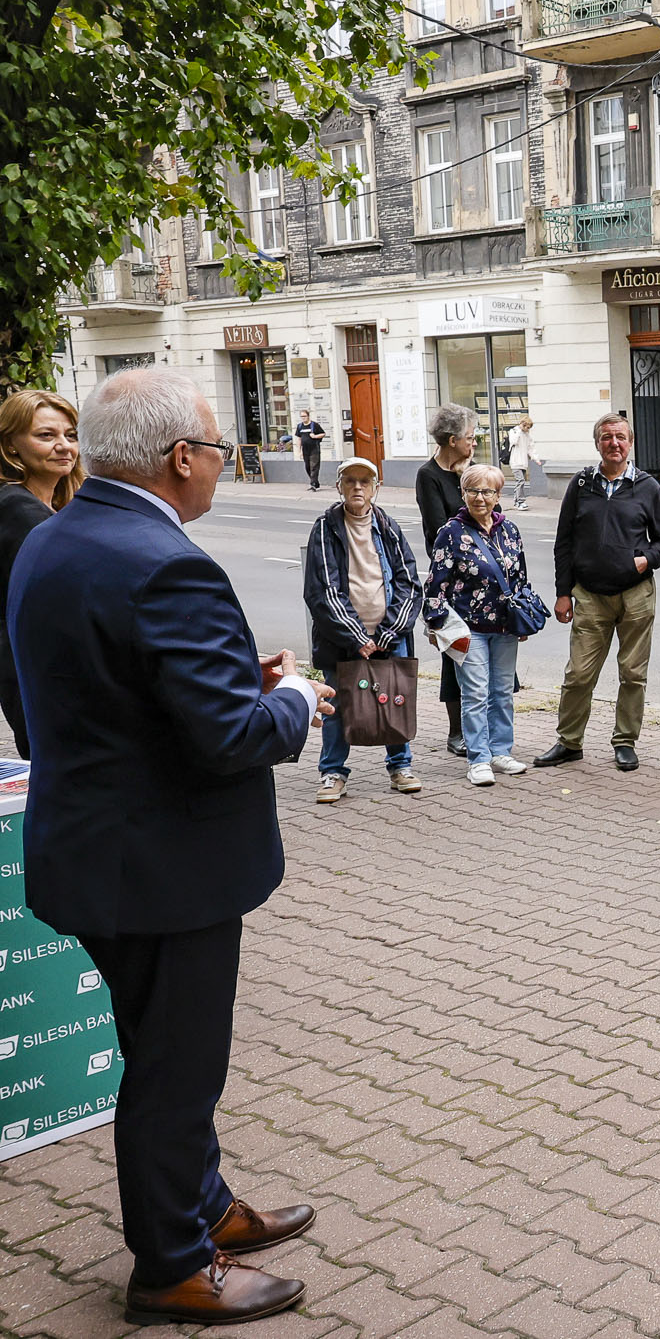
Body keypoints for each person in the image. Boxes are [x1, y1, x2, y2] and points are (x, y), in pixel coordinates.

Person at [6, 368, 329, 1324]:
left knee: (162, 1049)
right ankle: (173, 1262)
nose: (226, 465)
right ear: (181, 459)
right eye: (220, 448)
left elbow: (103, 684)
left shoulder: (53, 536)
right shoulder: (165, 560)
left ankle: (204, 1206)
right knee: (174, 1070)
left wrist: (235, 677)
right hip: (163, 870)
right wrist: (292, 698)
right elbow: (231, 738)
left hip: (97, 849)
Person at [530, 414, 660, 773]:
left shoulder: (647, 486)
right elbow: (564, 542)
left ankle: (625, 742)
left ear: (630, 442)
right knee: (578, 674)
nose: (614, 443)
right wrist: (564, 593)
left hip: (635, 594)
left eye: (620, 437)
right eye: (606, 437)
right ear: (597, 444)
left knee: (632, 674)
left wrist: (646, 560)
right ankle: (569, 742)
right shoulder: (581, 484)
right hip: (589, 596)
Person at [303, 457, 424, 802]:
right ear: (339, 486)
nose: (358, 487)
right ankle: (332, 773)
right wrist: (357, 637)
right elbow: (322, 590)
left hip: (388, 636)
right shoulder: (325, 528)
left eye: (365, 482)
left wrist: (388, 633)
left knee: (393, 699)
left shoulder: (387, 527)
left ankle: (400, 766)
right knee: (337, 705)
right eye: (350, 481)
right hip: (342, 637)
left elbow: (409, 583)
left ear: (376, 488)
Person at [426, 464, 533, 787]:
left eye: (487, 491)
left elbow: (520, 577)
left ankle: (500, 751)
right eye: (472, 491)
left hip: (505, 627)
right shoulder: (451, 532)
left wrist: (523, 616)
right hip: (468, 628)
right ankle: (479, 758)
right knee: (474, 693)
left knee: (501, 692)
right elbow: (436, 583)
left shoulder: (509, 530)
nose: (480, 498)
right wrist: (435, 625)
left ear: (499, 495)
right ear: (463, 494)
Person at [0, 388, 84, 756]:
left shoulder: (44, 506)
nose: (64, 446)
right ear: (11, 445)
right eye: (46, 436)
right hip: (47, 685)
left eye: (71, 435)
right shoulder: (19, 510)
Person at [416, 405, 476, 757]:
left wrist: (468, 477)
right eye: (469, 438)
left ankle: (484, 725)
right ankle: (457, 732)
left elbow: (492, 513)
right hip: (452, 580)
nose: (473, 443)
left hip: (481, 579)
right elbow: (441, 530)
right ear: (452, 441)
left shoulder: (469, 470)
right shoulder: (429, 475)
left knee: (486, 651)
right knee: (456, 651)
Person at [509, 415, 537, 510]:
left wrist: (535, 458)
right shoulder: (514, 431)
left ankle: (516, 501)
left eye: (529, 428)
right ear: (523, 425)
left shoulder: (527, 435)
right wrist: (519, 430)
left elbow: (530, 447)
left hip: (523, 463)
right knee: (520, 481)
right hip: (515, 461)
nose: (528, 429)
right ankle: (520, 501)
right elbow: (513, 441)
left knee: (520, 482)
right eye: (527, 427)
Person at [295, 409, 326, 491]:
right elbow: (299, 439)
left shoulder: (314, 425)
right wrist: (299, 451)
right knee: (307, 467)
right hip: (305, 450)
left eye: (304, 416)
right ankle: (316, 482)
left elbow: (323, 434)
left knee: (314, 467)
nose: (303, 418)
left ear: (308, 416)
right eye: (302, 416)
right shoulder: (299, 426)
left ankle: (313, 484)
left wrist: (315, 436)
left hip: (314, 449)